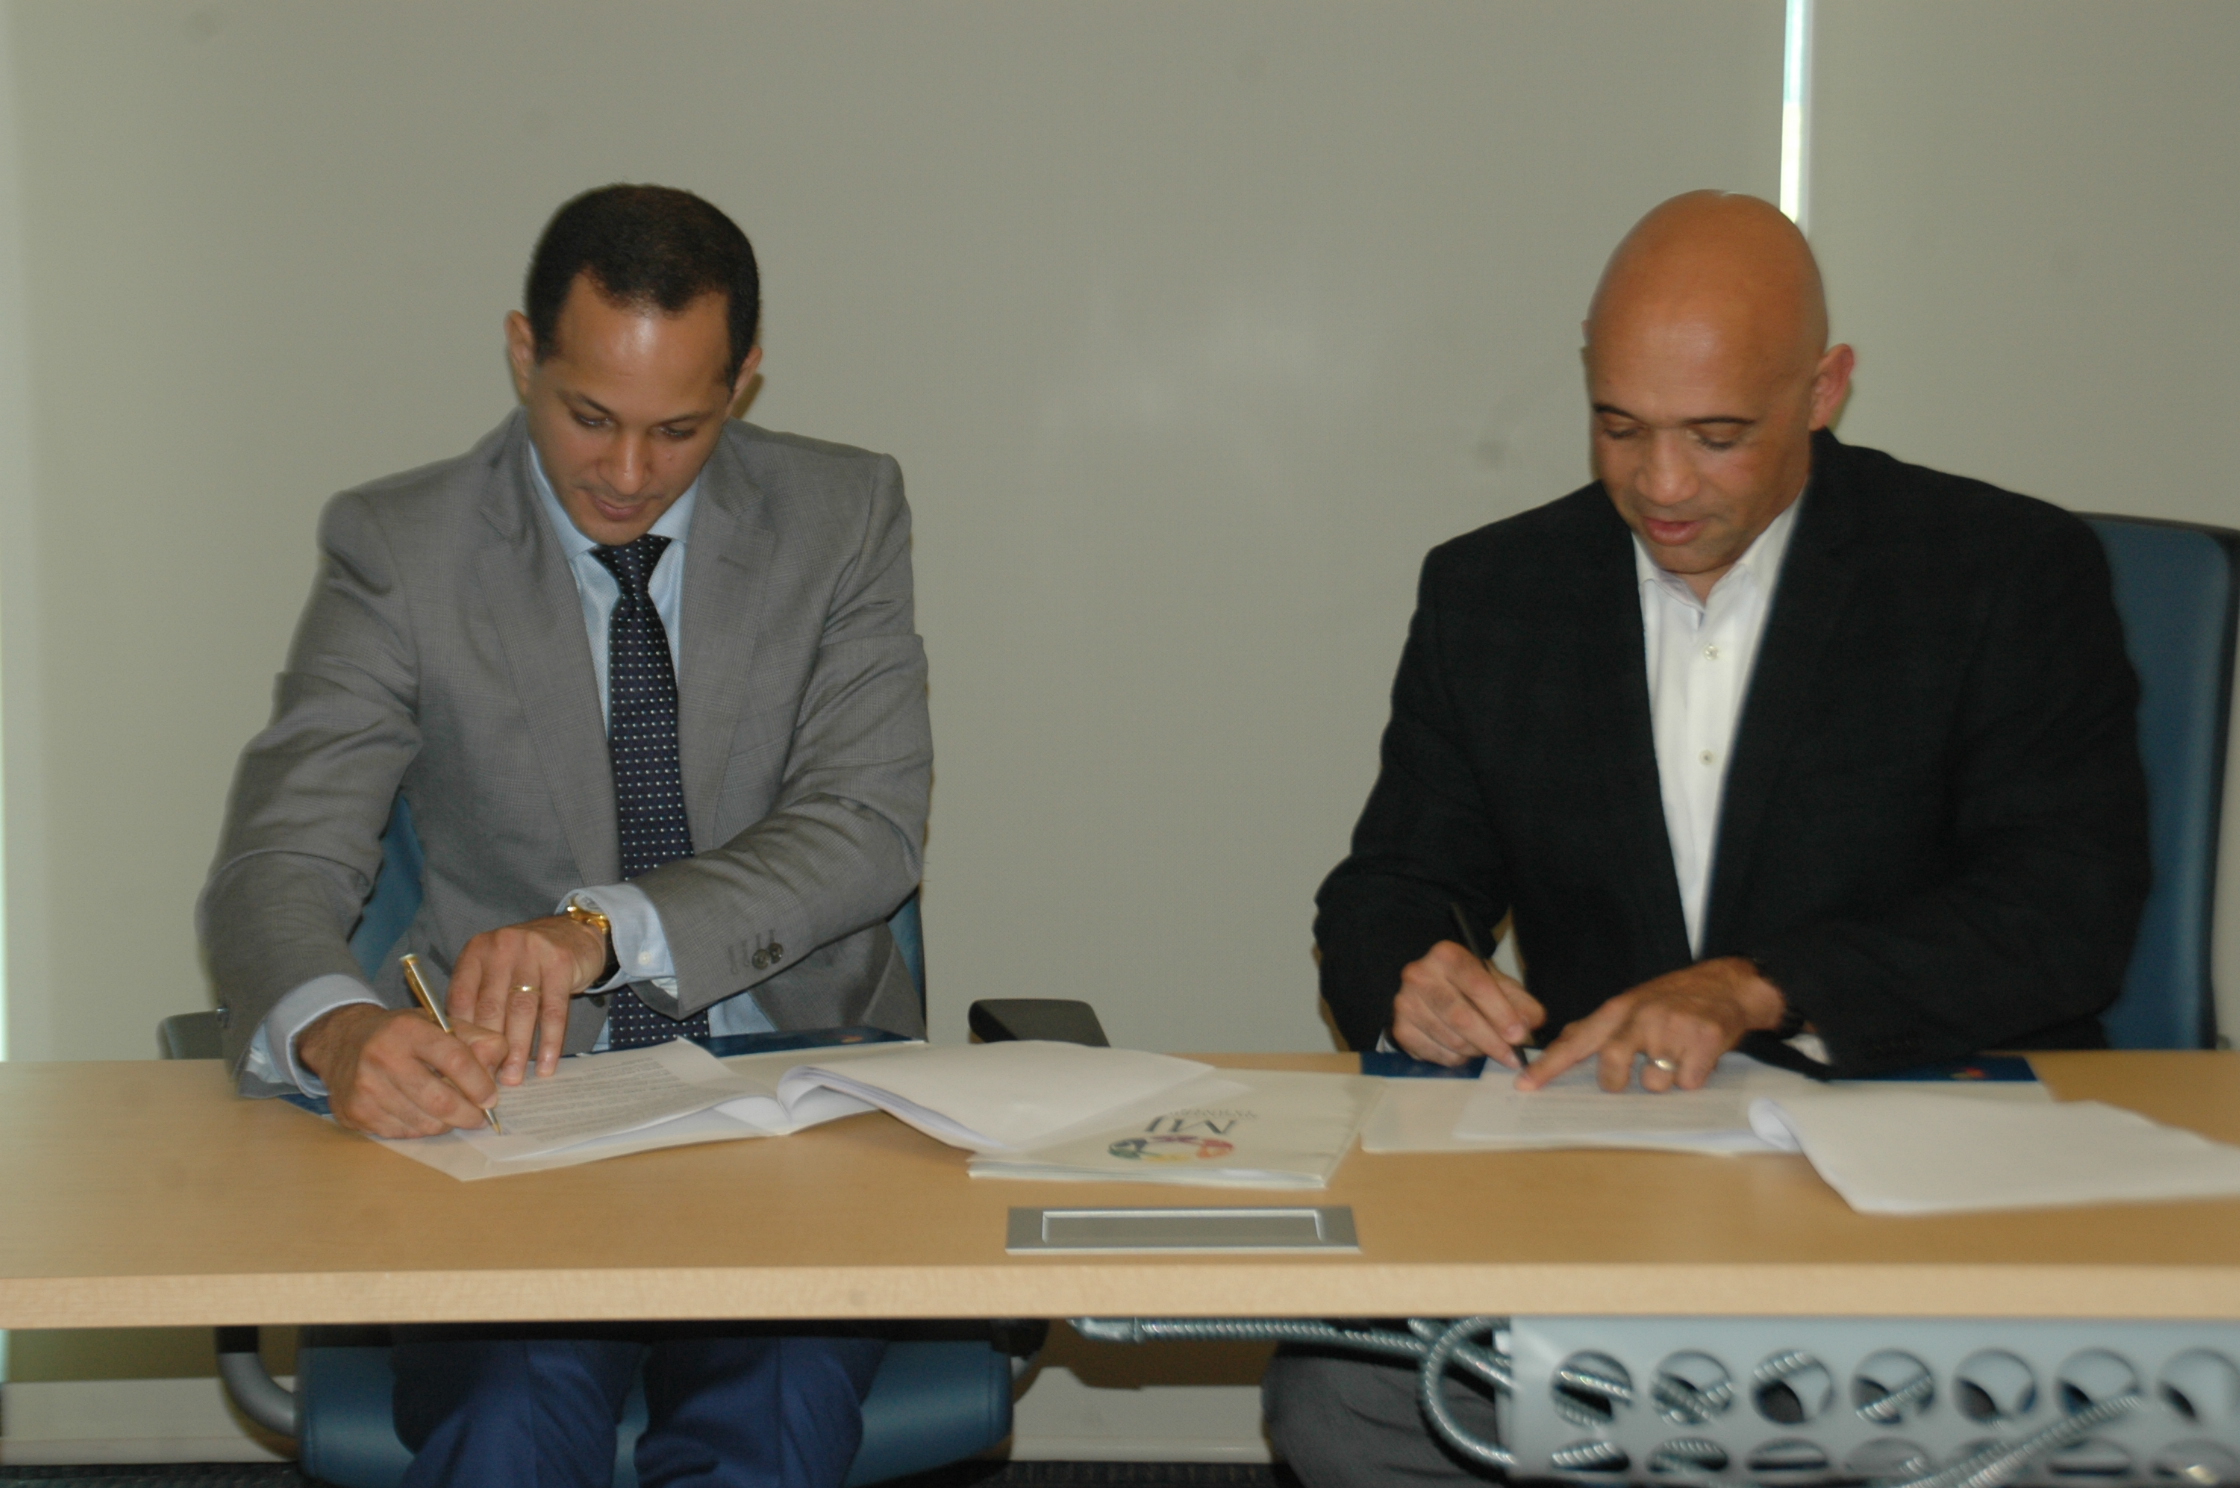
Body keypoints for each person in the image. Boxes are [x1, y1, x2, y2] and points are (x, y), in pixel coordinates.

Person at [1263, 191, 2149, 1484]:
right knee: (1344, 1402)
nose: (1662, 485)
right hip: (1606, 1183)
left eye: (1717, 437)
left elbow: (2064, 913)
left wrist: (1756, 987)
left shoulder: (2001, 572)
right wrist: (1415, 973)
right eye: (1620, 427)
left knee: (2090, 1401)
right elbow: (1395, 879)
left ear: (1824, 390)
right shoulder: (1496, 591)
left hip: (1916, 1162)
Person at [199, 184, 930, 1488]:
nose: (628, 474)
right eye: (589, 416)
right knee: (509, 1428)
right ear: (523, 353)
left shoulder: (844, 514)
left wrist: (605, 930)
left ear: (744, 382)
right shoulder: (403, 546)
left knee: (768, 1430)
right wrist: (339, 1030)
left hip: (790, 1105)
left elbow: (866, 825)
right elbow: (280, 859)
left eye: (679, 429)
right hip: (508, 1118)